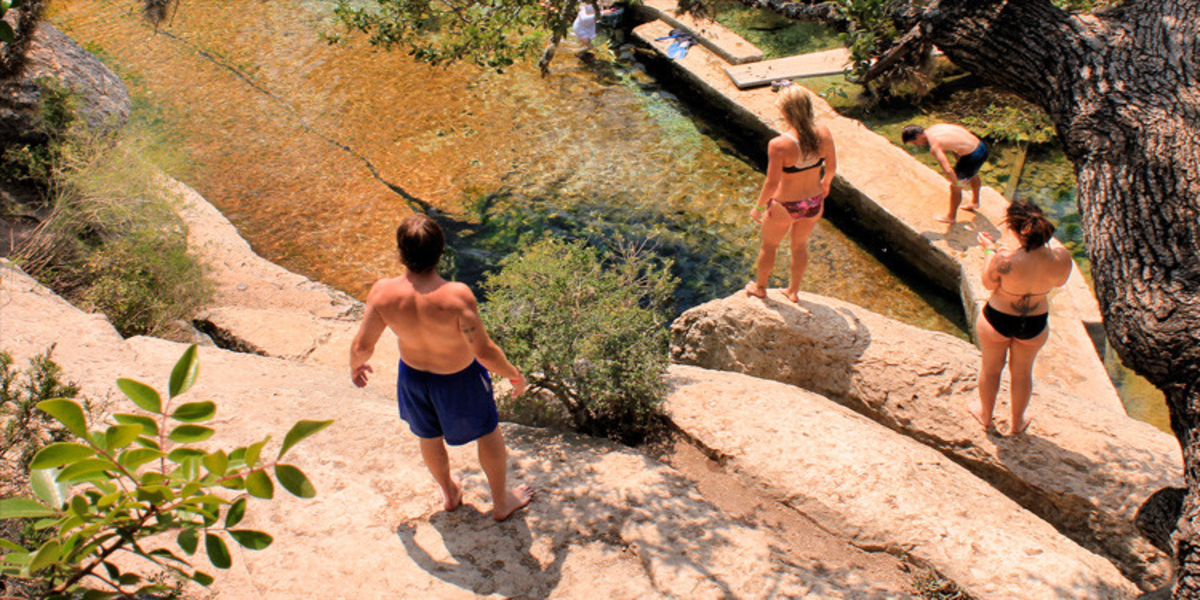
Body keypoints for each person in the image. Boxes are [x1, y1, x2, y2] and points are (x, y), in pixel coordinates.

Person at [350, 214, 533, 520]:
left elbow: (362, 346)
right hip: (460, 379)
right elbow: (485, 351)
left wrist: (356, 366)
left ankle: (449, 493)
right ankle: (501, 503)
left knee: (429, 437)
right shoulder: (456, 296)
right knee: (488, 434)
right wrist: (515, 375)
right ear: (441, 252)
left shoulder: (382, 292)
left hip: (413, 379)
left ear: (399, 252)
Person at [969, 201, 1072, 435]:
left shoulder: (1004, 258)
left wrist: (988, 249)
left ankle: (985, 415)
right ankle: (1017, 422)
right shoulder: (1061, 257)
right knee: (1023, 373)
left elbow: (988, 283)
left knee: (991, 369)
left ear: (1013, 229)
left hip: (997, 319)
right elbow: (1060, 281)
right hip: (1035, 321)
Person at [745, 86, 837, 303]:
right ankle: (793, 291)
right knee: (799, 246)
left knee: (769, 247)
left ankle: (760, 288)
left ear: (785, 112)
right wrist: (826, 184)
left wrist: (758, 207)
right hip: (814, 201)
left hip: (785, 205)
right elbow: (832, 166)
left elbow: (771, 183)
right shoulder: (823, 132)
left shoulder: (779, 144)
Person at [902, 123, 989, 224]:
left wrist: (957, 183)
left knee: (955, 187)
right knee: (973, 172)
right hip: (981, 147)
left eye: (914, 142)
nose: (916, 145)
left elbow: (947, 169)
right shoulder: (935, 127)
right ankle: (975, 202)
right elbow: (956, 138)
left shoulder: (935, 146)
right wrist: (958, 157)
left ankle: (951, 217)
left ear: (918, 136)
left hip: (972, 156)